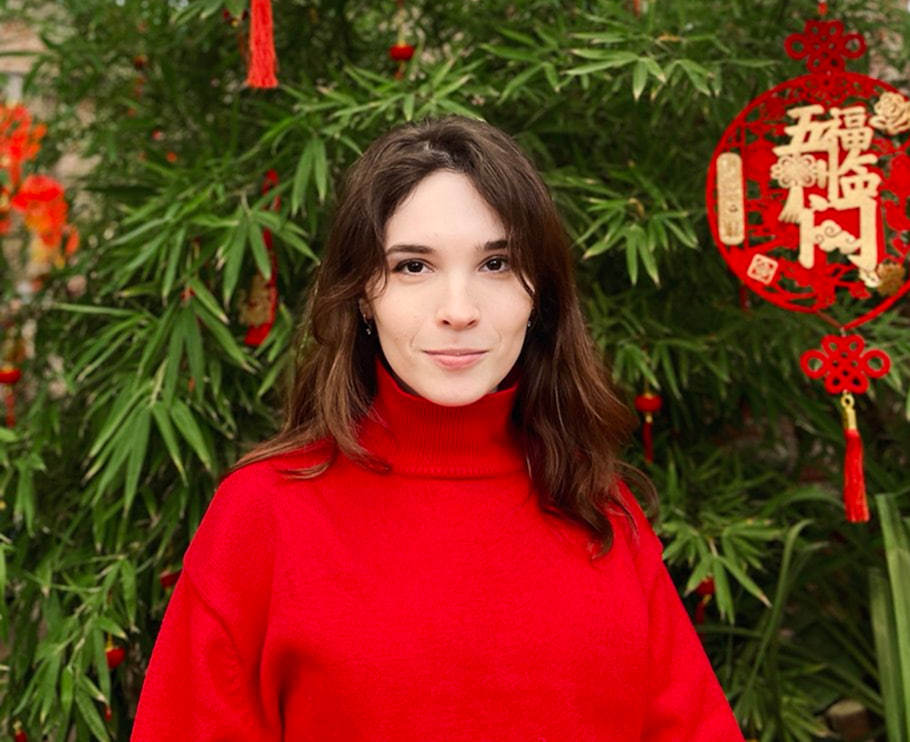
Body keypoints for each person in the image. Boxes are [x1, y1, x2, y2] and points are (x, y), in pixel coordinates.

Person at [130, 115, 745, 741]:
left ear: (540, 294)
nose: (459, 310)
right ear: (362, 293)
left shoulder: (600, 510)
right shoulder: (263, 516)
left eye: (496, 263)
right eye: (413, 267)